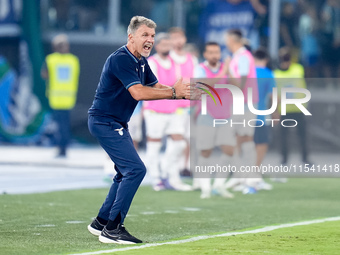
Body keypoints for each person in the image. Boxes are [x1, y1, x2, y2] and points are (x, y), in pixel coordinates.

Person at [87, 16, 191, 244]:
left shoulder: (140, 61)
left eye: (152, 36)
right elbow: (139, 93)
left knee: (126, 171)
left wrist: (179, 91)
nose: (150, 40)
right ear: (130, 37)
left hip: (115, 122)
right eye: (145, 35)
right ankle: (113, 229)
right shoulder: (121, 59)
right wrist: (174, 93)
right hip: (105, 122)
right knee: (135, 170)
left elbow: (155, 86)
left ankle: (102, 222)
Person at [144, 32, 192, 192]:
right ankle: (156, 178)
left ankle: (165, 170)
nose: (167, 48)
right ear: (157, 46)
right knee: (154, 144)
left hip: (173, 108)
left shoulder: (174, 63)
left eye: (168, 45)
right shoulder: (152, 63)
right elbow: (155, 85)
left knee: (179, 142)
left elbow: (179, 83)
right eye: (163, 45)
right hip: (155, 109)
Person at [194, 42, 235, 199]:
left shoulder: (226, 70)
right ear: (205, 54)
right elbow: (206, 85)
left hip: (225, 114)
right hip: (206, 114)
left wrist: (229, 70)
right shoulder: (200, 69)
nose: (214, 55)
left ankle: (219, 184)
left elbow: (239, 86)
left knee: (229, 151)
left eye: (216, 52)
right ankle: (205, 187)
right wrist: (224, 71)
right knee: (206, 151)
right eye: (210, 52)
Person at [223, 29, 259, 191]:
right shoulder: (239, 57)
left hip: (245, 103)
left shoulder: (243, 58)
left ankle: (250, 179)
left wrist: (228, 69)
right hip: (238, 103)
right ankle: (241, 176)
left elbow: (241, 84)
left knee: (246, 138)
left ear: (232, 40)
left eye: (227, 39)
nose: (225, 43)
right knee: (237, 138)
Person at [41, 34, 80, 157]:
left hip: (56, 97)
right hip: (69, 97)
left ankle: (61, 148)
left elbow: (44, 74)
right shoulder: (73, 60)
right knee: (65, 124)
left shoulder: (51, 60)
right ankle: (64, 147)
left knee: (59, 125)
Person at [168, 27, 198, 176]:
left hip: (190, 105)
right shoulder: (167, 59)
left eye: (179, 37)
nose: (177, 40)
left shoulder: (191, 59)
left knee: (189, 138)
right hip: (173, 106)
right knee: (176, 139)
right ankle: (171, 169)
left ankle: (185, 167)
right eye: (174, 37)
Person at [274, 47, 310, 165]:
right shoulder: (277, 74)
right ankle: (284, 159)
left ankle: (305, 158)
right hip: (285, 109)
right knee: (284, 136)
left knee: (302, 135)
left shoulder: (297, 69)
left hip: (298, 108)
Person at [253, 48, 277, 190]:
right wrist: (276, 113)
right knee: (261, 144)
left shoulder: (247, 73)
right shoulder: (268, 74)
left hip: (242, 114)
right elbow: (272, 96)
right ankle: (255, 175)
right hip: (260, 114)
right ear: (266, 60)